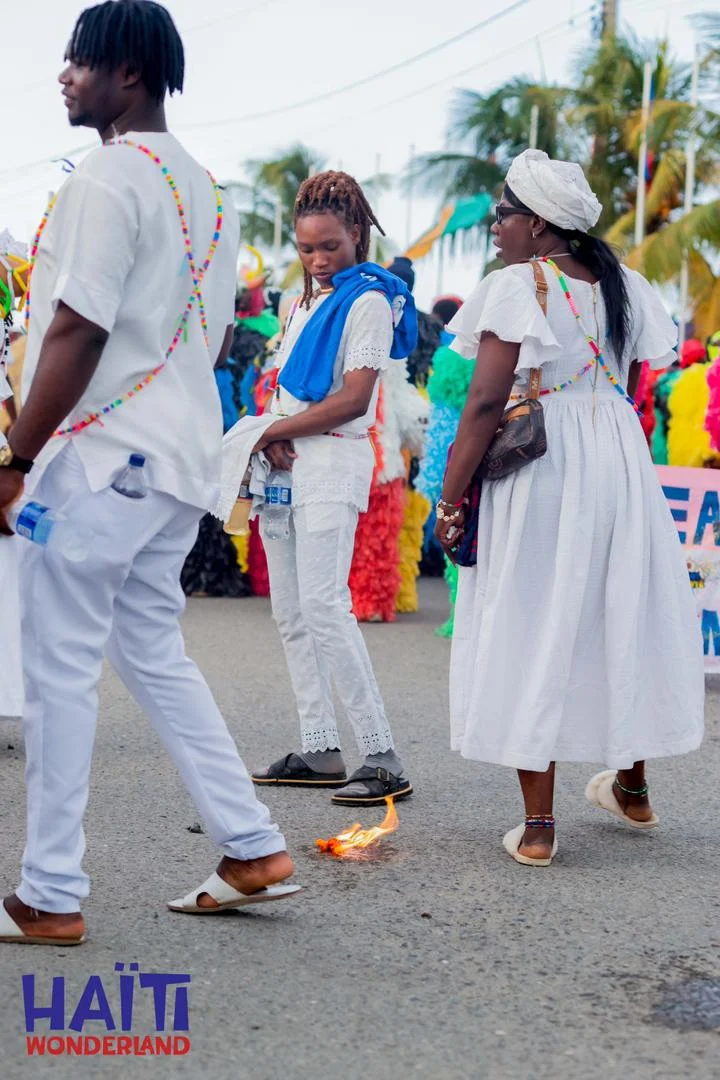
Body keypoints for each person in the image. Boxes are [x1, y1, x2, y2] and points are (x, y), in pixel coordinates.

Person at [0, 0, 300, 946]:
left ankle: (50, 893)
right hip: (173, 459)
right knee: (153, 653)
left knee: (57, 672)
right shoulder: (210, 188)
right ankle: (251, 843)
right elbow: (197, 335)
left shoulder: (106, 176)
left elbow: (77, 326)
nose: (64, 76)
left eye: (78, 62)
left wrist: (15, 457)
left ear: (128, 71)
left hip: (94, 458)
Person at [435, 149, 704, 866]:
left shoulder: (519, 285)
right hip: (616, 455)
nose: (495, 226)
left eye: (504, 214)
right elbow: (629, 377)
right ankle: (633, 788)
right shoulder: (627, 286)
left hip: (548, 458)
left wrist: (451, 497)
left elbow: (486, 401)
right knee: (615, 608)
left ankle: (539, 828)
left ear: (540, 224)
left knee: (535, 613)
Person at [249, 171, 416, 806]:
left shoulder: (369, 301)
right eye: (307, 248)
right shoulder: (304, 303)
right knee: (290, 613)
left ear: (357, 235)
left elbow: (354, 399)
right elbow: (288, 386)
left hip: (332, 465)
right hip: (286, 466)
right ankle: (319, 748)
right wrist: (273, 434)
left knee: (324, 607)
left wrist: (276, 431)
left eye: (331, 247)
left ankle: (381, 754)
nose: (319, 260)